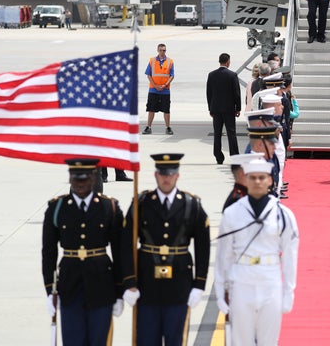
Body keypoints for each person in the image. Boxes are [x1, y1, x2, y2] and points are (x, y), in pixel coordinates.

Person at [121, 153, 211, 346]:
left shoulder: (191, 204)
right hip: (146, 286)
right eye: (162, 174)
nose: (166, 178)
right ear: (155, 175)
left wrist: (199, 284)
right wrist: (129, 282)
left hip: (179, 286)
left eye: (171, 174)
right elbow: (126, 244)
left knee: (176, 340)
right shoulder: (142, 203)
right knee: (146, 340)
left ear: (177, 175)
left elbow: (203, 247)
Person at [214, 159, 299, 346]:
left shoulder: (283, 214)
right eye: (253, 178)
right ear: (246, 179)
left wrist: (289, 291)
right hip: (242, 279)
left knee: (268, 340)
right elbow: (223, 256)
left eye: (262, 177)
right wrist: (220, 292)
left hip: (270, 279)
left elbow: (290, 256)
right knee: (241, 340)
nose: (258, 182)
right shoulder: (233, 213)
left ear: (270, 180)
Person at [41, 158, 125, 346]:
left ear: (94, 178)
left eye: (84, 179)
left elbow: (120, 253)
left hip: (102, 286)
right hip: (70, 287)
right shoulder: (57, 208)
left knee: (99, 341)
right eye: (76, 179)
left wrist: (120, 291)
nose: (80, 184)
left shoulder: (108, 207)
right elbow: (49, 253)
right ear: (70, 178)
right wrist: (49, 290)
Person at [206, 53, 242, 164]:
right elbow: (236, 93)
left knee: (217, 133)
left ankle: (218, 157)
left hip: (216, 109)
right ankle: (234, 156)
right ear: (227, 62)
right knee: (231, 133)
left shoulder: (211, 75)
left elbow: (209, 93)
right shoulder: (232, 75)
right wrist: (238, 108)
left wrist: (210, 108)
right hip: (229, 109)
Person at [144, 43, 174, 135]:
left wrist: (165, 85)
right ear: (158, 50)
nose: (162, 52)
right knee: (151, 109)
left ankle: (168, 127)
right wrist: (155, 85)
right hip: (153, 89)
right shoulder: (152, 60)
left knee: (166, 110)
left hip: (165, 90)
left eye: (164, 50)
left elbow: (172, 76)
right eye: (161, 50)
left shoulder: (170, 61)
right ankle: (148, 127)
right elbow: (148, 75)